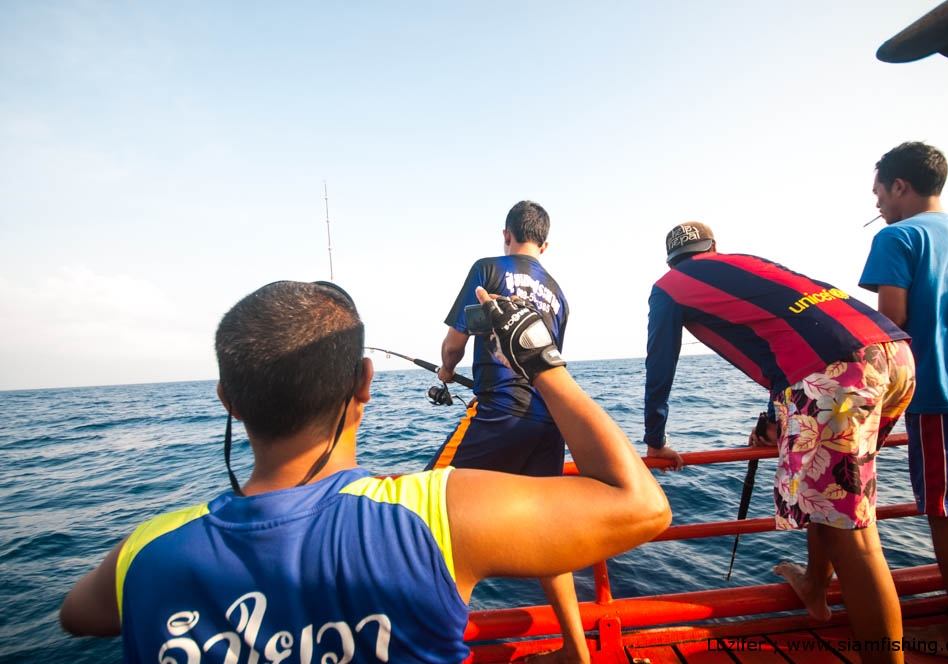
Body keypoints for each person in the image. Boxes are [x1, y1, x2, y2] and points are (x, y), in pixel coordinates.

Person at [59, 280, 671, 663]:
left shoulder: (146, 552)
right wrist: (540, 359)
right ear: (365, 384)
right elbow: (642, 506)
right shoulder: (436, 517)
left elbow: (76, 615)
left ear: (228, 400)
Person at [645, 222, 914, 664]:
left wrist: (655, 439)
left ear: (671, 261)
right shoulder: (749, 263)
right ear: (714, 248)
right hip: (894, 353)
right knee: (831, 502)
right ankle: (813, 584)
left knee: (859, 539)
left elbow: (660, 360)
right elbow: (791, 331)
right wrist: (777, 416)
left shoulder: (670, 287)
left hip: (837, 375)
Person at [424, 200, 591, 661]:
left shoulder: (488, 268)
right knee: (549, 538)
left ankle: (435, 650)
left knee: (431, 511)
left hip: (500, 409)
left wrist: (445, 369)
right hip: (548, 420)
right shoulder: (559, 294)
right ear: (545, 243)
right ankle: (576, 651)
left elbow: (456, 341)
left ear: (506, 234)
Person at [860, 141, 948, 660]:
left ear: (900, 185)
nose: (877, 205)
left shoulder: (897, 237)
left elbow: (891, 326)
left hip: (942, 391)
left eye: (878, 192)